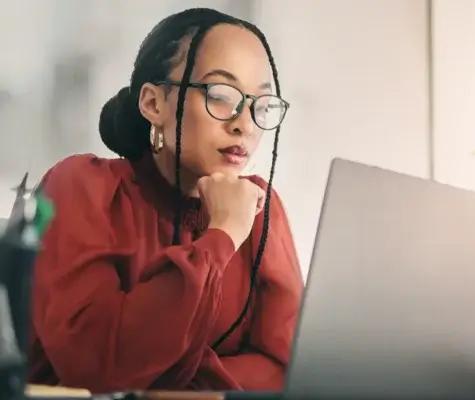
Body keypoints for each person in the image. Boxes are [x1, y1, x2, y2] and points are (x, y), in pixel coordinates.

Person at [27, 8, 303, 393]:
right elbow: (94, 365)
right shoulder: (80, 186)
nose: (244, 123)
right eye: (221, 95)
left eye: (261, 103)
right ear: (154, 105)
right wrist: (222, 234)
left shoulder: (260, 208)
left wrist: (167, 381)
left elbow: (287, 370)